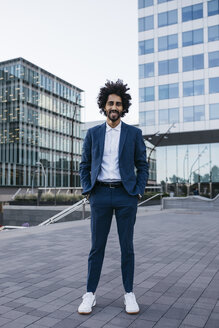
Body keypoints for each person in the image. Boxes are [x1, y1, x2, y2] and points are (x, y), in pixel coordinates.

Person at [78, 79, 149, 315]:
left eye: (118, 103)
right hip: (99, 195)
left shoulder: (134, 133)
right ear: (104, 106)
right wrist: (88, 189)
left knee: (126, 247)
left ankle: (129, 294)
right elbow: (85, 164)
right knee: (96, 248)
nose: (114, 107)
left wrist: (138, 190)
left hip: (125, 195)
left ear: (123, 107)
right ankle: (89, 294)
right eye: (111, 103)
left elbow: (142, 164)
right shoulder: (93, 133)